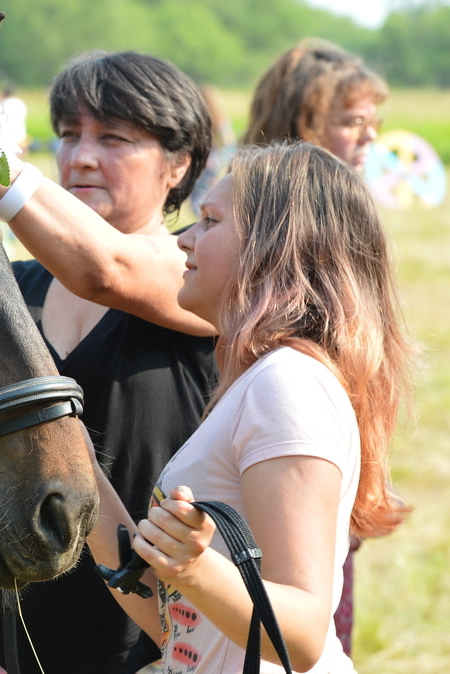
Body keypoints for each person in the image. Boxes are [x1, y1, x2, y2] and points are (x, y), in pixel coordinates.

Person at [82, 142, 412, 673]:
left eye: (209, 221)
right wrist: (75, 461)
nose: (183, 239)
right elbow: (176, 622)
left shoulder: (287, 384)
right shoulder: (261, 381)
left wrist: (194, 570)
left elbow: (300, 638)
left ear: (276, 247)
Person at [0, 50, 218, 674]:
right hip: (15, 643)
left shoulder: (199, 283)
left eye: (115, 138)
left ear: (178, 165)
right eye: (69, 135)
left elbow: (106, 270)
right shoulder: (12, 289)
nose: (81, 157)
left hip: (154, 644)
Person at [242, 38, 390, 654]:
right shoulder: (247, 228)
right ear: (302, 126)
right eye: (351, 122)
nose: (370, 139)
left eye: (372, 123)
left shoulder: (346, 218)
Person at [242, 38, 387, 172]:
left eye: (373, 122)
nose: (370, 135)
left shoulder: (350, 196)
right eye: (355, 122)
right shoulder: (242, 197)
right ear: (303, 127)